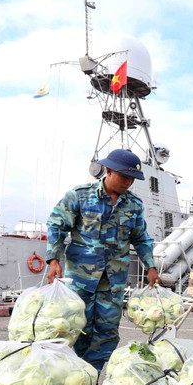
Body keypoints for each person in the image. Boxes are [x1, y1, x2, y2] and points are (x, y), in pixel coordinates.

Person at [45, 148, 160, 370]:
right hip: (80, 279)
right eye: (124, 176)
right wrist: (53, 260)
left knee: (107, 331)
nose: (128, 182)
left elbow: (141, 238)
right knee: (75, 327)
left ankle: (92, 377)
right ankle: (71, 373)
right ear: (108, 170)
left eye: (132, 179)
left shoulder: (134, 205)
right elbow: (56, 225)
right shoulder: (79, 196)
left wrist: (151, 267)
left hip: (113, 281)